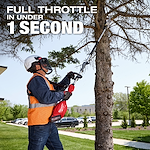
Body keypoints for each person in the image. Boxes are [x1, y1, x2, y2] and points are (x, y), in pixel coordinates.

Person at [24, 55, 74, 150]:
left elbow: (57, 89)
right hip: (39, 124)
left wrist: (67, 78)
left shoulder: (44, 80)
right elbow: (46, 97)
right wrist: (63, 94)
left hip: (49, 122)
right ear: (37, 66)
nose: (46, 64)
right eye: (43, 62)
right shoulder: (36, 80)